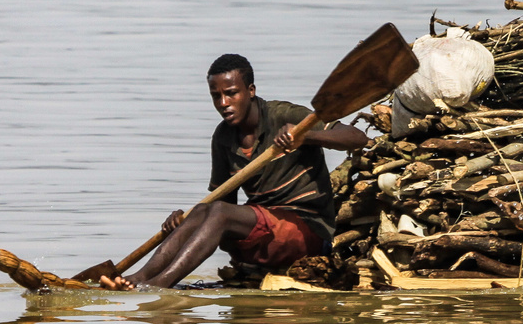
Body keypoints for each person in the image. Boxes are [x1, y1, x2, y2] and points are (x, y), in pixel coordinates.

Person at [102, 53, 366, 289]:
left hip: (306, 232)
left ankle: (159, 284)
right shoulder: (223, 137)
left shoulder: (286, 116)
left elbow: (356, 138)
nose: (224, 103)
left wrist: (306, 138)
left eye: (231, 93)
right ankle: (139, 277)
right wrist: (183, 223)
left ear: (250, 91)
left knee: (216, 212)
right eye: (216, 96)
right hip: (261, 233)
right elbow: (222, 204)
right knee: (205, 210)